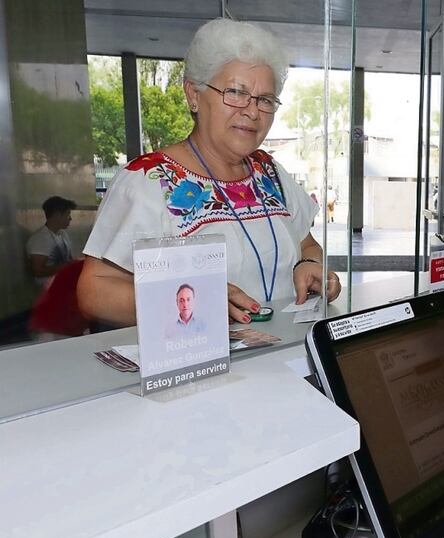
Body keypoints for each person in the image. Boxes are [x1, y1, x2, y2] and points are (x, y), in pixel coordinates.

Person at [78, 18, 341, 327]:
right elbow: (95, 291)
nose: (252, 111)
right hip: (199, 353)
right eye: (236, 92)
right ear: (193, 94)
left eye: (265, 100)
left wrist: (310, 264)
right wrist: (196, 299)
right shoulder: (147, 180)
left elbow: (308, 245)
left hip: (287, 350)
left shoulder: (270, 173)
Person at [27, 196, 76, 286]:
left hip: (65, 283)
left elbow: (69, 259)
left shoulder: (62, 234)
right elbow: (38, 271)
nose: (70, 218)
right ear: (57, 215)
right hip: (48, 288)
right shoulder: (40, 239)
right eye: (68, 214)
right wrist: (67, 267)